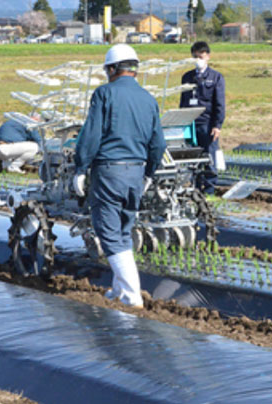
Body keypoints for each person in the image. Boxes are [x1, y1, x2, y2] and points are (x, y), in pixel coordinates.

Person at [73, 44, 166, 308]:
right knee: (124, 231)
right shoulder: (149, 99)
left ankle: (131, 295)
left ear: (113, 69)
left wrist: (80, 168)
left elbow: (91, 135)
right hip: (136, 173)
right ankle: (118, 290)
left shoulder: (104, 94)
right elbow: (158, 144)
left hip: (109, 171)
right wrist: (149, 172)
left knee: (109, 233)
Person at [179, 41, 225, 194]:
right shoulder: (187, 77)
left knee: (209, 157)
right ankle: (195, 189)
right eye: (195, 57)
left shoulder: (216, 77)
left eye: (201, 56)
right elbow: (183, 102)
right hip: (190, 124)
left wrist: (217, 125)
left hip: (207, 123)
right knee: (193, 158)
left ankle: (210, 190)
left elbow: (219, 104)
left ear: (208, 57)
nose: (198, 60)